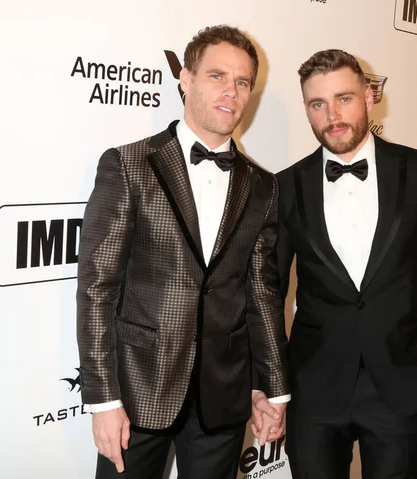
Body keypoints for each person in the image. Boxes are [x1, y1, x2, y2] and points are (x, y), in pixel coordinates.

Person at [76, 25, 289, 479]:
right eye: (217, 75)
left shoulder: (264, 186)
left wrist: (272, 388)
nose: (231, 91)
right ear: (185, 79)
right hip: (137, 391)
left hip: (224, 393)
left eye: (243, 81)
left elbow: (263, 295)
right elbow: (97, 290)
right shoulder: (129, 165)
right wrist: (103, 399)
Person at [275, 49, 417, 479]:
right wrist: (273, 379)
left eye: (344, 98)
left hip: (403, 378)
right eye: (318, 104)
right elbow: (269, 292)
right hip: (315, 383)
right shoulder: (286, 186)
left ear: (369, 96)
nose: (333, 115)